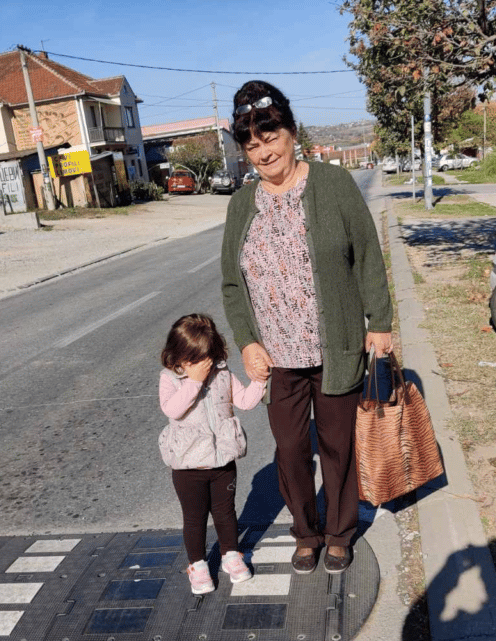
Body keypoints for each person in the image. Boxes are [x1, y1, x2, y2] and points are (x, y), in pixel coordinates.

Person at [220, 80, 394, 576]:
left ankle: (339, 534)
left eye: (270, 137)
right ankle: (306, 531)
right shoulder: (241, 205)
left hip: (335, 346)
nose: (263, 151)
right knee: (292, 450)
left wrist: (379, 321)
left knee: (338, 447)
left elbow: (367, 256)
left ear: (292, 133)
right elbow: (233, 283)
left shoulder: (332, 185)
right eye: (251, 144)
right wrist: (248, 342)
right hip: (277, 359)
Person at [158, 313, 267, 594]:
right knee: (194, 518)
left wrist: (259, 381)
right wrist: (192, 381)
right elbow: (172, 410)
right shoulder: (170, 378)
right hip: (187, 466)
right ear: (177, 356)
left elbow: (243, 401)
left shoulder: (222, 374)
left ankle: (231, 555)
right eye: (192, 360)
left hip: (222, 460)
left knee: (225, 511)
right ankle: (198, 565)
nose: (200, 366)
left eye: (204, 358)